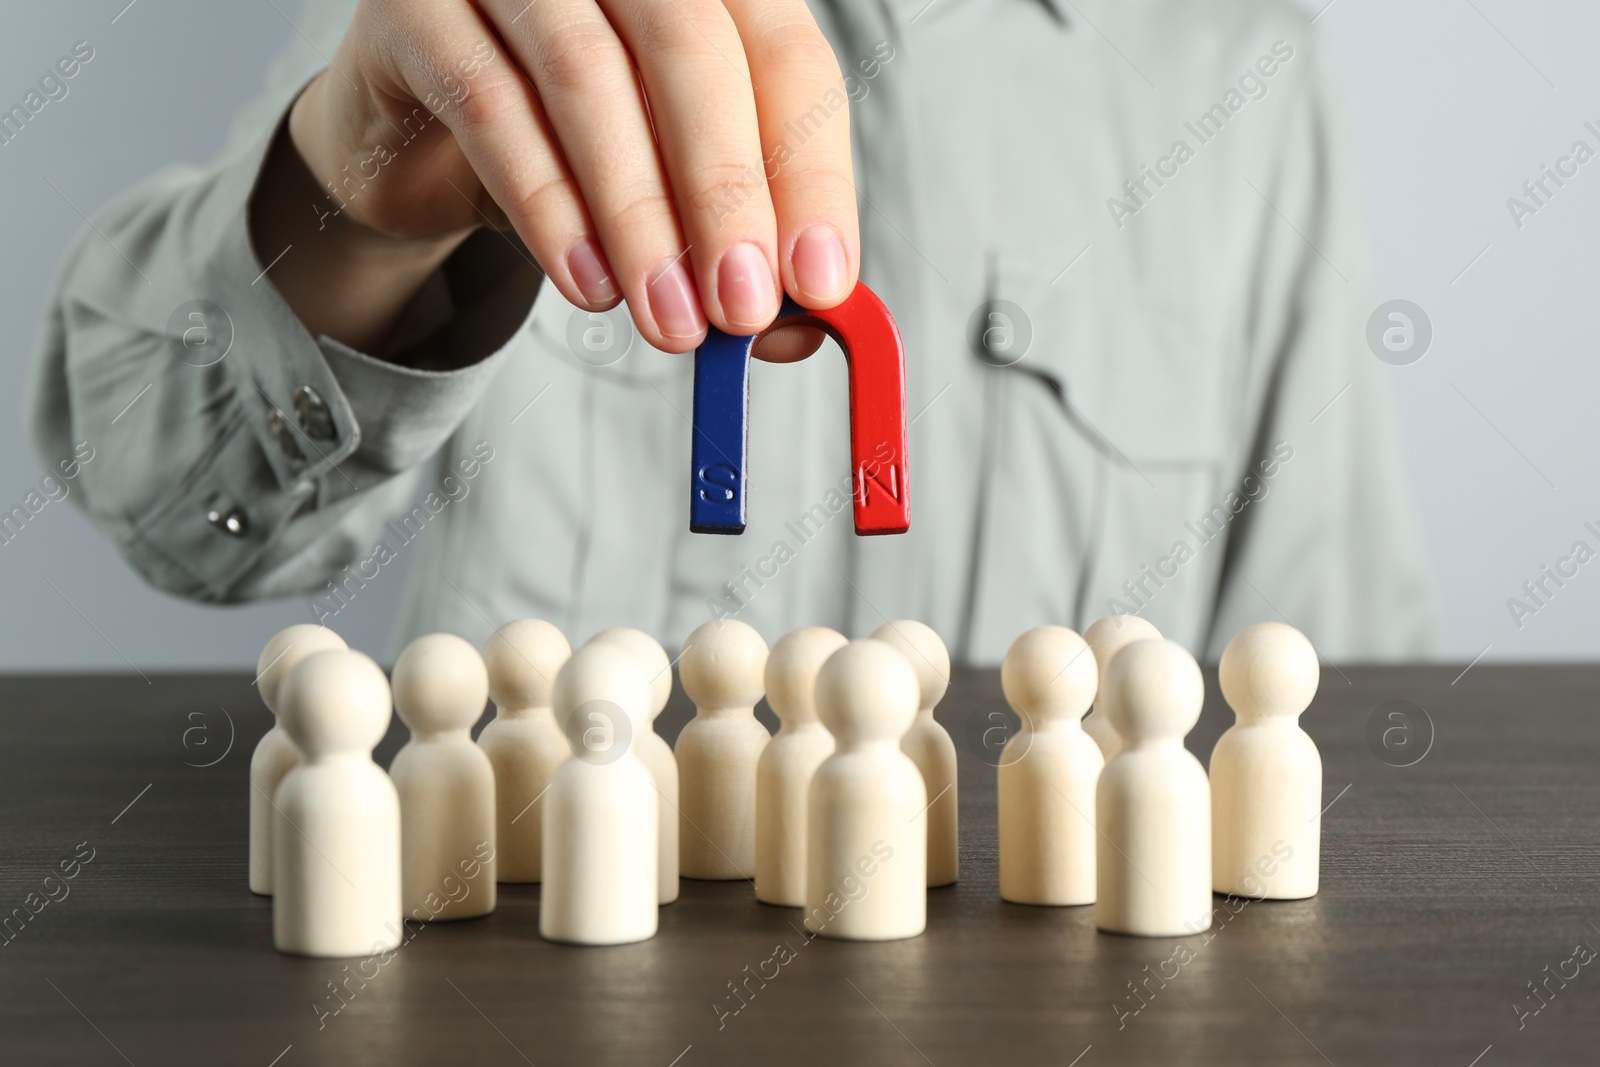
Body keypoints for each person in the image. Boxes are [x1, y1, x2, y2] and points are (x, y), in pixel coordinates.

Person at [26, 0, 1437, 664]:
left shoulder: (1240, 75)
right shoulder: (500, 22)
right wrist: (359, 201)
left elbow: (1326, 685)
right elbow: (172, 509)